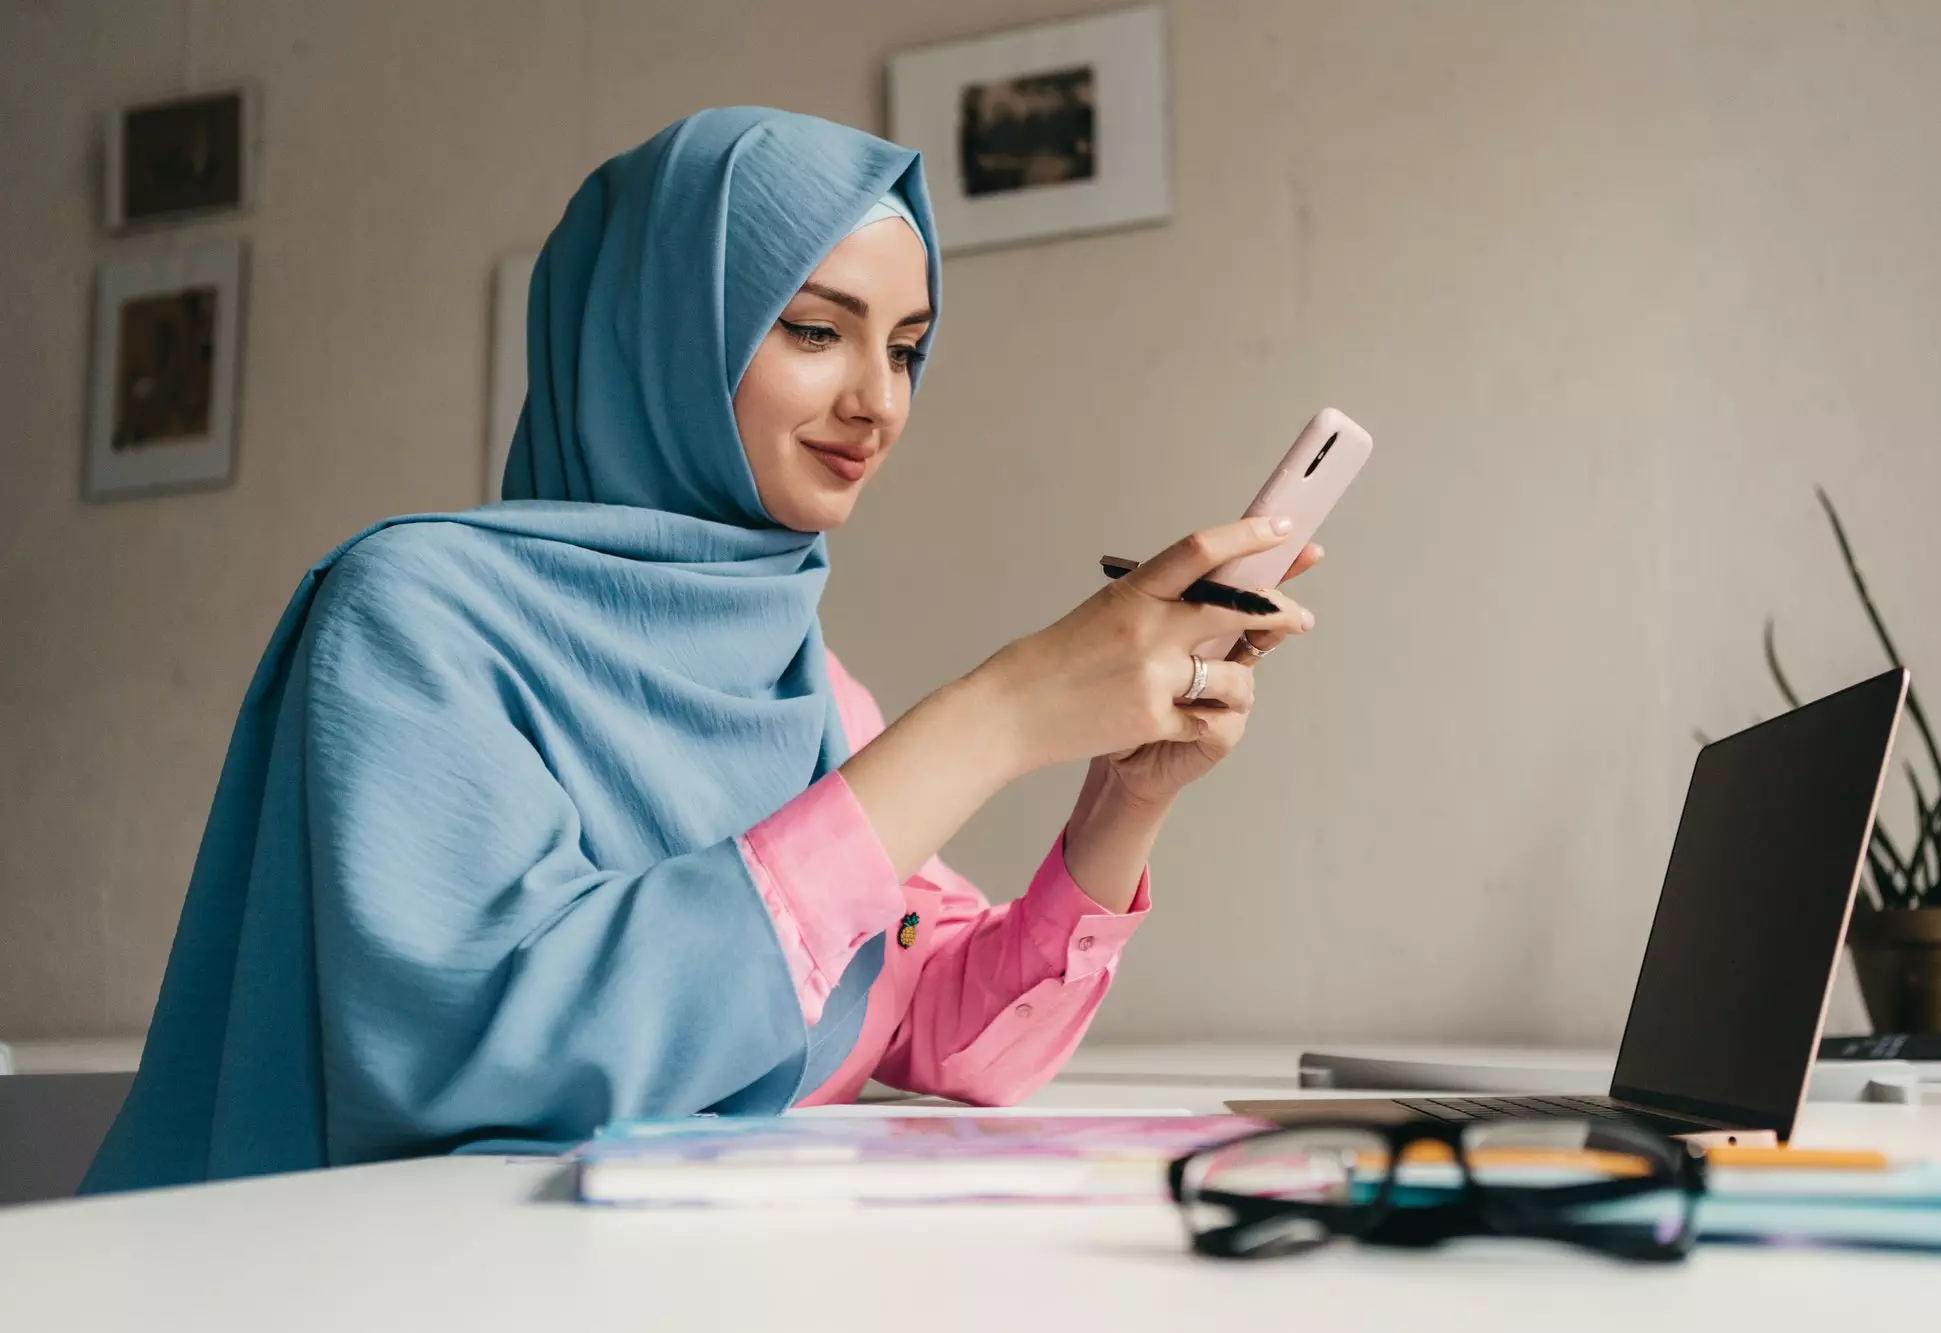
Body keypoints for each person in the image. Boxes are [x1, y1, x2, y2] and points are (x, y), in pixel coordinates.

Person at [81, 107, 1317, 1193]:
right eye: (814, 330)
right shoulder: (411, 611)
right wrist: (995, 714)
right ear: (658, 333)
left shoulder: (803, 674)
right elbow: (497, 1049)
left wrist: (1121, 797)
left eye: (904, 347)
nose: (878, 402)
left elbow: (941, 1034)